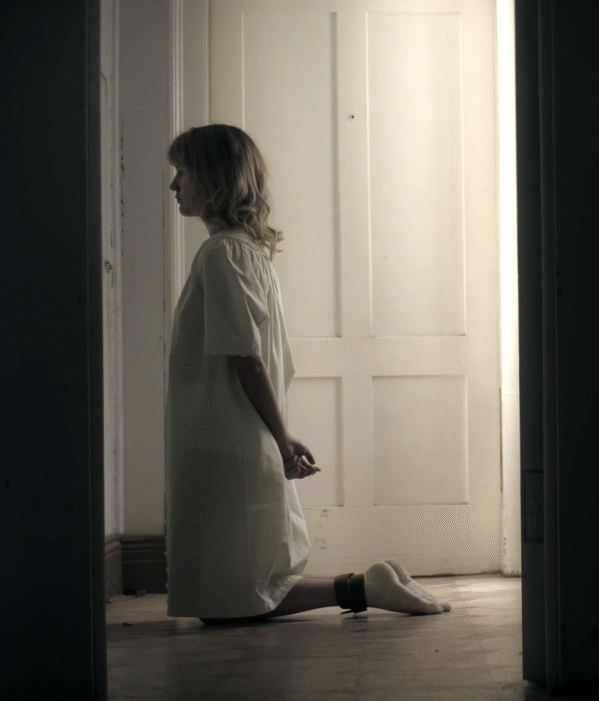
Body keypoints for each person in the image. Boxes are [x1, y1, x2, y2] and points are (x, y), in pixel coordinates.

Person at [164, 124, 452, 623]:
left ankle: (365, 586)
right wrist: (279, 434)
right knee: (240, 589)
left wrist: (281, 439)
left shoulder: (221, 254)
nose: (174, 185)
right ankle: (368, 584)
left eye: (182, 172)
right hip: (237, 436)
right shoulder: (248, 253)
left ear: (212, 180)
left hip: (221, 438)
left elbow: (246, 357)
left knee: (233, 600)